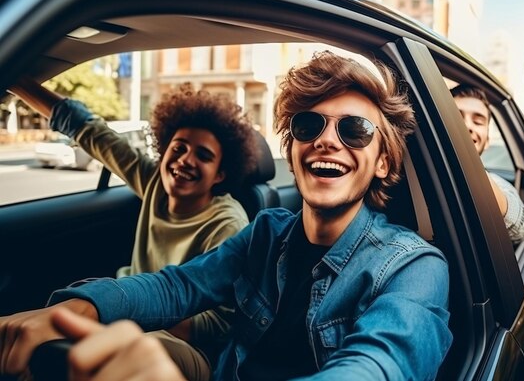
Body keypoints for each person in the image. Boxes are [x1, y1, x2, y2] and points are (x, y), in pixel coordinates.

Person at [0, 50, 452, 381]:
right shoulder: (266, 234)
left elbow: (377, 368)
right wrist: (79, 308)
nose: (327, 141)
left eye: (354, 129)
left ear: (384, 162)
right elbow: (177, 285)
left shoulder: (413, 267)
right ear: (292, 152)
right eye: (308, 126)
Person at [7, 79, 259, 379]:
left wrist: (130, 316)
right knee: (40, 338)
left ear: (220, 174)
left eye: (203, 156)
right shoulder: (155, 183)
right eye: (178, 148)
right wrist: (17, 81)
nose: (185, 160)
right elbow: (90, 131)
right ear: (164, 152)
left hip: (193, 351)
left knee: (128, 350)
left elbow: (219, 323)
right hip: (129, 313)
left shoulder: (228, 223)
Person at [450, 83, 524, 242]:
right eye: (456, 116)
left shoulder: (497, 184)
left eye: (478, 121)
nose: (467, 126)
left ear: (487, 140)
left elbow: (523, 227)